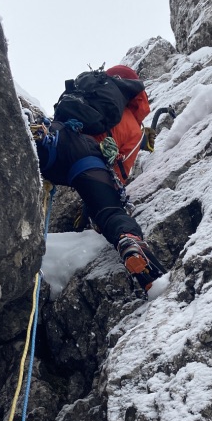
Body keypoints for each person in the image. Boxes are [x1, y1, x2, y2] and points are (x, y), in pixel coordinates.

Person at [32, 65, 165, 294]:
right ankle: (130, 244)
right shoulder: (133, 126)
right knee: (111, 211)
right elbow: (118, 173)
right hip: (84, 159)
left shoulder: (83, 96)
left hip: (53, 139)